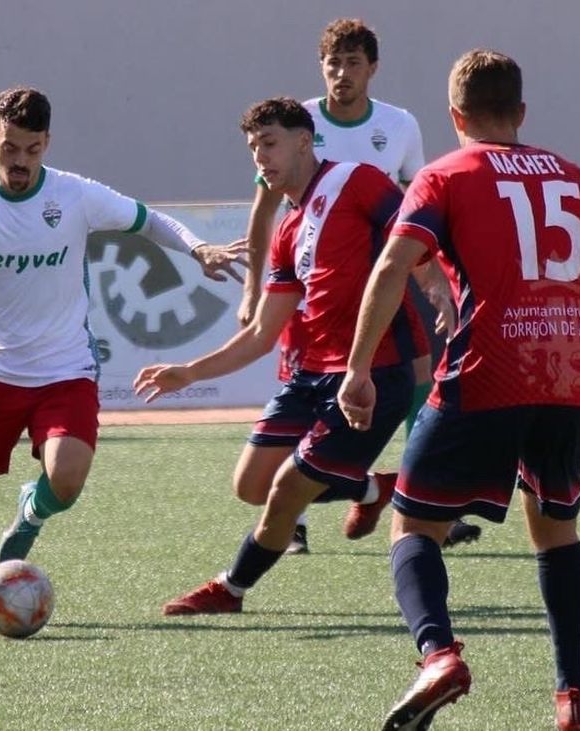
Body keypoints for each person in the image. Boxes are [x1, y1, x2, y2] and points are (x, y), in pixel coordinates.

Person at [337, 50, 580, 731]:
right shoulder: (579, 179)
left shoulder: (445, 175)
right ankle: (574, 701)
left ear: (455, 116)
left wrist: (358, 368)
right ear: (521, 112)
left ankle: (438, 656)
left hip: (486, 368)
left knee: (412, 526)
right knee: (557, 533)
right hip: (568, 375)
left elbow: (394, 265)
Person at [0, 87, 245, 626]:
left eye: (32, 149)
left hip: (66, 371)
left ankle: (29, 513)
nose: (20, 161)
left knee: (66, 480)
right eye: (10, 148)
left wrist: (198, 247)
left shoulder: (74, 195)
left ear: (47, 144)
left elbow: (148, 220)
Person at [134, 97, 428, 616]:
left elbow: (415, 234)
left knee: (287, 490)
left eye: (269, 144)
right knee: (251, 484)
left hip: (372, 375)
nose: (260, 157)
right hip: (310, 376)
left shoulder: (356, 180)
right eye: (253, 148)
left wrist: (438, 285)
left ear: (303, 141)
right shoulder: (288, 231)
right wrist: (189, 372)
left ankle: (230, 588)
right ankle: (371, 488)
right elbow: (261, 334)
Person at [235, 17, 481, 556]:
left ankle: (425, 499)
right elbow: (264, 211)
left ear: (373, 69)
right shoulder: (295, 123)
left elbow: (418, 207)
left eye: (353, 63)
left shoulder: (399, 125)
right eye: (333, 63)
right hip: (311, 286)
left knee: (419, 376)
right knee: (304, 388)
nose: (341, 73)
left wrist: (436, 278)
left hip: (382, 279)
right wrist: (253, 289)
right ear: (321, 67)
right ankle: (299, 518)